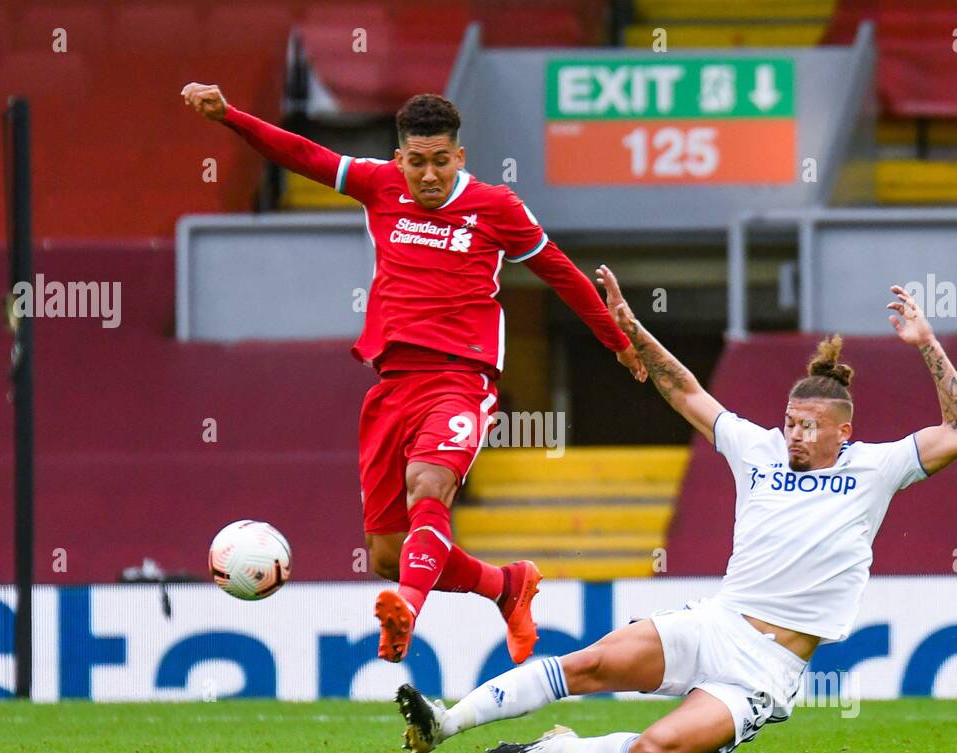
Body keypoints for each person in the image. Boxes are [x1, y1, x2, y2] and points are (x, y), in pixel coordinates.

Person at [395, 265, 957, 753]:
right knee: (590, 663)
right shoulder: (758, 449)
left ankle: (558, 750)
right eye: (790, 422)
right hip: (716, 624)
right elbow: (685, 391)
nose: (795, 435)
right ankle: (443, 723)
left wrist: (927, 344)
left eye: (809, 427)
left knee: (658, 751)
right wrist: (634, 330)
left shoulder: (877, 469)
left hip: (767, 669)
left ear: (843, 431)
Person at [181, 85, 646, 664]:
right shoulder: (380, 186)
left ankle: (406, 610)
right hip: (391, 386)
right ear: (400, 158)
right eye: (417, 161)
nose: (428, 175)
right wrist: (230, 116)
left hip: (460, 379)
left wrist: (617, 341)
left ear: (461, 157)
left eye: (440, 161)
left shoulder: (496, 207)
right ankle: (506, 587)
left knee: (429, 486)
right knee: (385, 552)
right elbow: (303, 155)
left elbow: (562, 274)